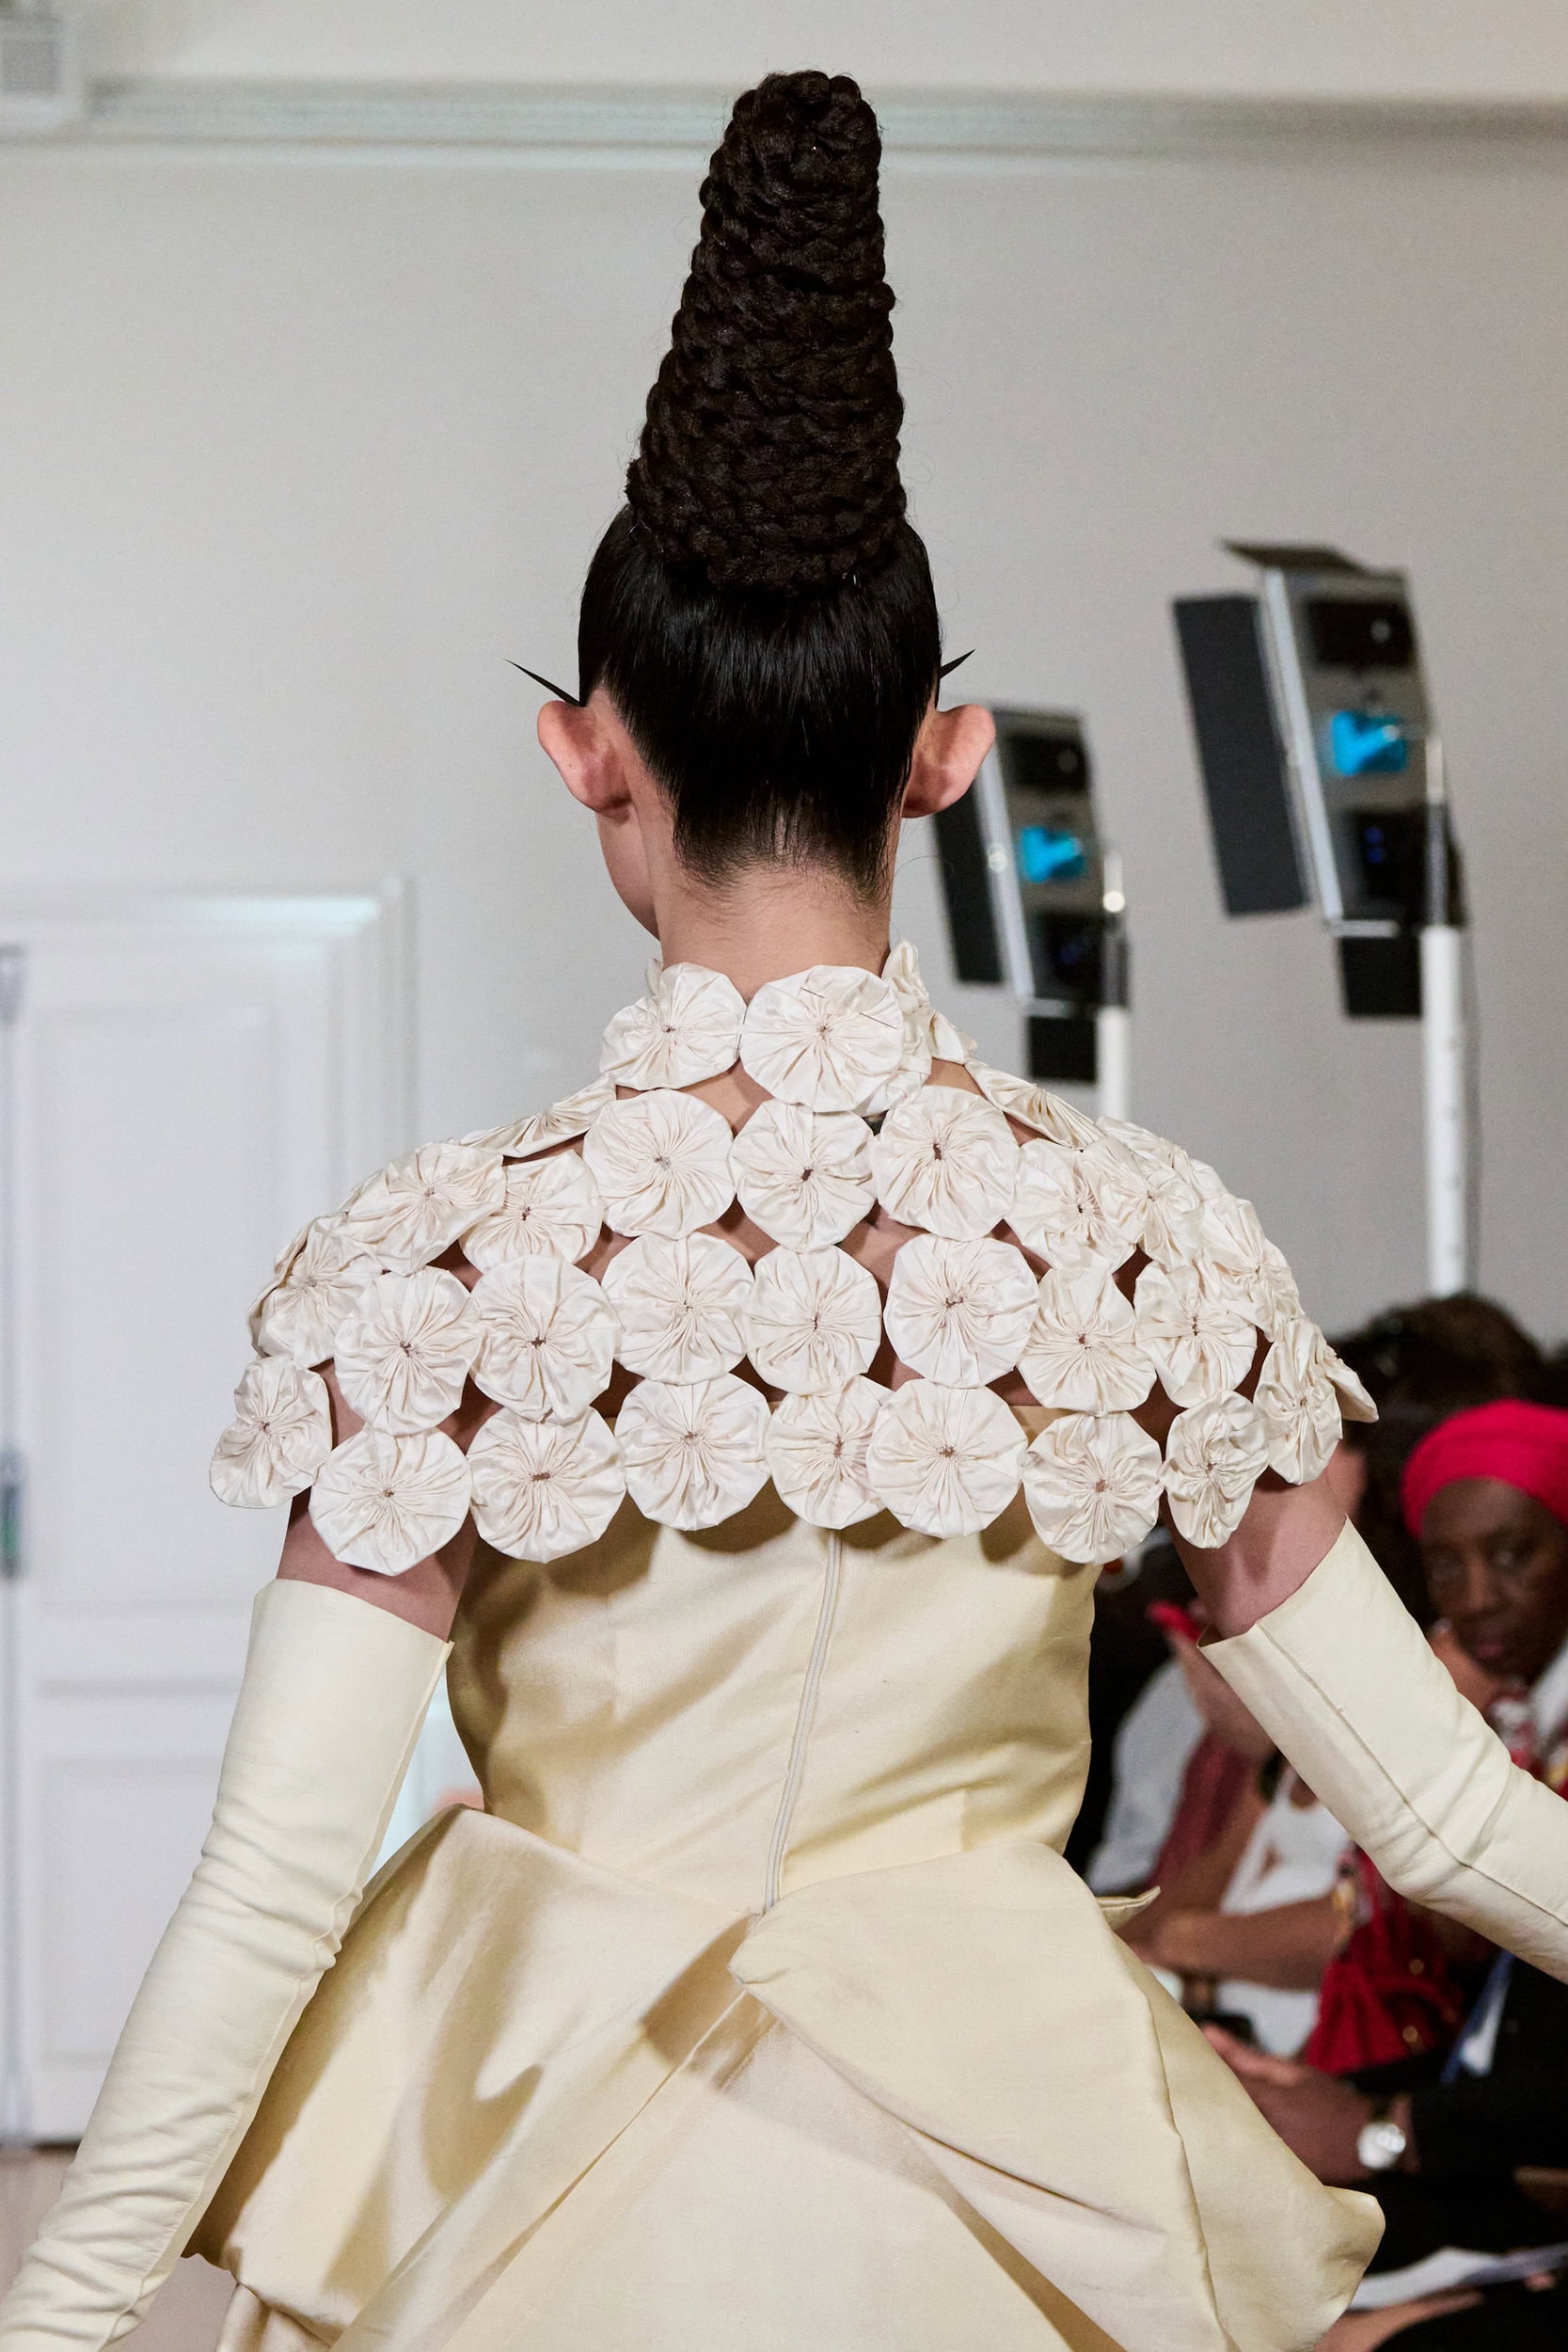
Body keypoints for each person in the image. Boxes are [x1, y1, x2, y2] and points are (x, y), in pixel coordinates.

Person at [0, 68, 1558, 2352]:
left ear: (586, 750)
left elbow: (269, 1884)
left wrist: (51, 2314)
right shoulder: (1136, 1253)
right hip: (1007, 2237)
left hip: (531, 2216)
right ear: (940, 754)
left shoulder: (451, 1271)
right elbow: (1439, 1824)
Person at [1205, 1398, 1568, 2345]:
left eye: (1512, 1555)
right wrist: (1315, 2094)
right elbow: (1492, 2021)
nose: (1476, 1598)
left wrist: (1376, 2125)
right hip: (1473, 2149)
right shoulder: (1519, 1719)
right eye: (1445, 1565)